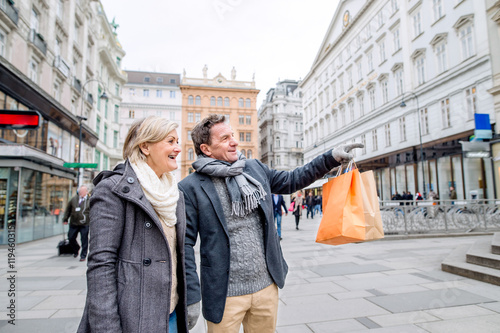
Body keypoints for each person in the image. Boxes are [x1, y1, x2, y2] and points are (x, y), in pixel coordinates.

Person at [178, 114, 363, 332]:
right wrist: (191, 296)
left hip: (266, 287)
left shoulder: (254, 168)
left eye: (233, 135)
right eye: (225, 138)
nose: (235, 141)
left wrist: (330, 158)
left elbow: (293, 179)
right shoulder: (190, 187)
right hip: (224, 294)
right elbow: (184, 245)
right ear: (206, 149)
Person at [77, 116, 188, 332]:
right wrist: (107, 328)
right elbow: (101, 265)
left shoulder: (174, 194)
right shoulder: (112, 190)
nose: (178, 148)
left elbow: (180, 255)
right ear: (145, 146)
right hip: (133, 318)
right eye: (170, 141)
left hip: (171, 312)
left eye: (177, 141)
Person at [62, 185, 90, 261]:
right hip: (74, 223)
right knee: (71, 237)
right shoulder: (74, 199)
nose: (81, 193)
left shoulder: (90, 200)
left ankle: (83, 255)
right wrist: (65, 219)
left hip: (85, 223)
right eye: (80, 191)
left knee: (84, 239)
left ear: (87, 192)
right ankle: (76, 248)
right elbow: (68, 210)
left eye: (83, 191)